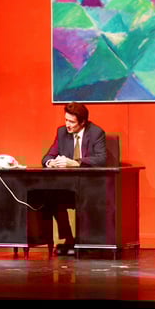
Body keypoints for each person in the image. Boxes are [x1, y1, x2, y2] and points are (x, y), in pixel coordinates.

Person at [41, 102, 107, 255]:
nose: (67, 125)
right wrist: (51, 162)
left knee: (87, 198)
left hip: (91, 187)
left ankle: (87, 241)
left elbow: (101, 159)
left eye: (71, 122)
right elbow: (47, 156)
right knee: (49, 197)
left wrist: (76, 162)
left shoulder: (96, 132)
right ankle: (68, 238)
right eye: (66, 120)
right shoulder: (62, 132)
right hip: (68, 186)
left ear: (82, 122)